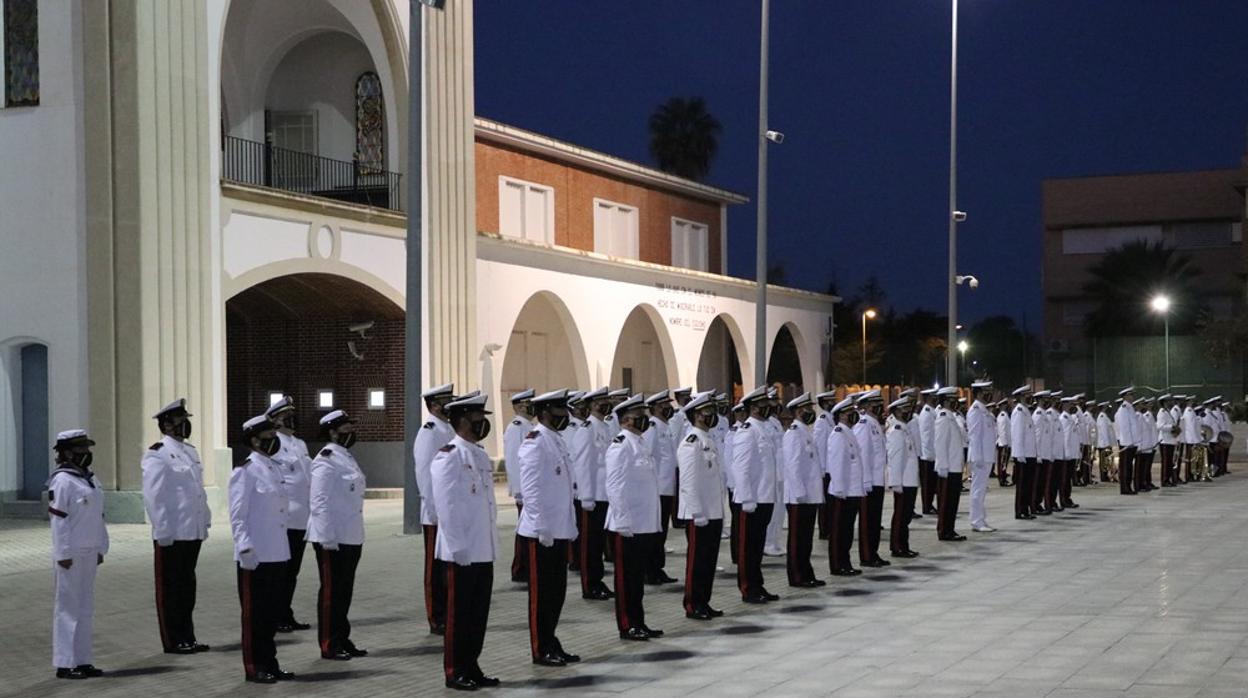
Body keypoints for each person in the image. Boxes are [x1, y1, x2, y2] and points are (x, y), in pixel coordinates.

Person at [431, 394, 501, 690]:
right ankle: (455, 670)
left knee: (477, 614)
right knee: (458, 614)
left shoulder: (479, 454)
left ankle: (472, 664)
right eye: (476, 418)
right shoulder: (448, 455)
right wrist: (458, 546)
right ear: (462, 421)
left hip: (482, 548)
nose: (482, 423)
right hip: (461, 551)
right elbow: (445, 507)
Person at [141, 398, 211, 655]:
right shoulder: (157, 454)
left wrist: (204, 519)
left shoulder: (190, 451)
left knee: (187, 588)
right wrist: (162, 531)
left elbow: (197, 491)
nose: (186, 425)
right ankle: (173, 640)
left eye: (186, 420)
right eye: (181, 421)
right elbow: (154, 496)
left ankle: (188, 636)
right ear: (167, 424)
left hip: (191, 530)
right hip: (172, 532)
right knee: (170, 589)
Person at [517, 389, 581, 666]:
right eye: (558, 412)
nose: (564, 416)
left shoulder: (555, 439)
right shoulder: (535, 442)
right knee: (541, 595)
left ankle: (551, 640)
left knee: (556, 592)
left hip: (559, 528)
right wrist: (541, 526)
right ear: (544, 414)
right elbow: (530, 488)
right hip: (541, 532)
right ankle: (540, 647)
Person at [229, 415, 293, 684]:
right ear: (254, 440)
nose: (274, 440)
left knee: (269, 615)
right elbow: (238, 515)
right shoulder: (245, 471)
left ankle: (271, 663)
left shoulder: (272, 467)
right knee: (255, 616)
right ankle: (255, 666)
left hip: (277, 551)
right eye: (268, 436)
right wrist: (244, 547)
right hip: (255, 555)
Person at [306, 410, 367, 662]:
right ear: (332, 432)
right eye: (345, 428)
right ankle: (330, 643)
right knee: (332, 592)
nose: (350, 432)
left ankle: (342, 637)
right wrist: (326, 536)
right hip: (332, 538)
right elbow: (318, 501)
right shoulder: (325, 459)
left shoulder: (345, 457)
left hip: (350, 535)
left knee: (344, 591)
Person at [49, 429, 109, 680]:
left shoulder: (89, 479)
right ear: (67, 452)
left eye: (87, 448)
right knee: (68, 608)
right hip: (71, 552)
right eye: (81, 449)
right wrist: (62, 552)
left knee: (85, 608)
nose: (86, 453)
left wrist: (101, 547)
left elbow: (98, 517)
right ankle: (65, 662)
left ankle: (83, 660)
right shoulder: (63, 481)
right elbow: (58, 521)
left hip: (89, 549)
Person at [604, 394, 664, 641]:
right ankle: (628, 624)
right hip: (627, 524)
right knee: (627, 579)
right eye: (640, 417)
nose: (645, 421)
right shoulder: (620, 445)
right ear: (627, 421)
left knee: (637, 579)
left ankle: (639, 621)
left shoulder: (639, 443)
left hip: (643, 523)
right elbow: (615, 486)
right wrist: (623, 521)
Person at [264, 396, 313, 633]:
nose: (292, 420)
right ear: (275, 421)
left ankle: (285, 612)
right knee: (281, 572)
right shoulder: (274, 445)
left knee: (292, 571)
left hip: (301, 517)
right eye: (286, 417)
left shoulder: (299, 444)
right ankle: (275, 614)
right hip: (285, 518)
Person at [677, 393, 727, 619]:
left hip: (713, 510)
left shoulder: (709, 439)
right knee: (697, 561)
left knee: (708, 560)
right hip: (699, 513)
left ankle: (704, 601)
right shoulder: (691, 443)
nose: (712, 416)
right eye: (708, 412)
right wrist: (697, 512)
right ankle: (692, 603)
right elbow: (687, 481)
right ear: (696, 415)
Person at [730, 386, 780, 603]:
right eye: (763, 406)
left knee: (757, 546)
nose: (768, 409)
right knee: (748, 548)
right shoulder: (747, 431)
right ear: (753, 408)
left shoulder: (764, 429)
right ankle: (748, 587)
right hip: (752, 499)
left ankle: (758, 584)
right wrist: (747, 498)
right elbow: (741, 468)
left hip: (765, 496)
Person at [413, 383, 456, 634]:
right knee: (434, 568)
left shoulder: (447, 428)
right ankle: (435, 616)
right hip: (435, 514)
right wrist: (434, 508)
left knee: (446, 566)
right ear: (434, 405)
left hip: (448, 511)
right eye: (445, 400)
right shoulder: (429, 431)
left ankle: (446, 611)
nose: (449, 404)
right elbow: (424, 474)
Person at [570, 388, 612, 600]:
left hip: (604, 493)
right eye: (601, 401)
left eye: (607, 400)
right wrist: (586, 496)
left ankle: (598, 580)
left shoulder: (604, 427)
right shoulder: (586, 429)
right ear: (592, 405)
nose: (606, 404)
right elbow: (583, 464)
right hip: (592, 495)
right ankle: (590, 584)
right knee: (590, 544)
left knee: (598, 542)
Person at [781, 393, 826, 587]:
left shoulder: (805, 431)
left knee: (806, 538)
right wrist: (799, 492)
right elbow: (792, 465)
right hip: (799, 496)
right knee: (797, 538)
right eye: (808, 409)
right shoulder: (793, 433)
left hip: (809, 494)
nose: (811, 412)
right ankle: (797, 575)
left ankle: (806, 572)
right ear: (799, 411)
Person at [826, 396, 865, 576]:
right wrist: (840, 489)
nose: (854, 415)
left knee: (847, 530)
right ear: (841, 415)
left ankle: (845, 561)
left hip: (852, 490)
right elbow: (836, 464)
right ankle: (837, 564)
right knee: (839, 531)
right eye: (850, 412)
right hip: (842, 492)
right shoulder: (838, 434)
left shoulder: (849, 433)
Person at [643, 391, 679, 585]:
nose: (668, 407)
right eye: (664, 404)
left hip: (667, 486)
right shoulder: (652, 427)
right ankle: (650, 570)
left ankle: (657, 567)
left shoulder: (666, 426)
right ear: (655, 407)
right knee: (655, 531)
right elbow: (648, 456)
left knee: (662, 530)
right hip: (657, 487)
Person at [852, 390, 889, 567]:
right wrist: (865, 481)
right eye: (876, 403)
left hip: (877, 479)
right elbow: (863, 454)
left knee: (875, 520)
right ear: (867, 405)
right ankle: (867, 555)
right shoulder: (864, 424)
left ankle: (873, 552)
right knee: (867, 521)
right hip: (868, 482)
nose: (880, 406)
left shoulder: (874, 423)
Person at [503, 389, 535, 582]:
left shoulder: (528, 425)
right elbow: (514, 461)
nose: (532, 406)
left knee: (528, 530)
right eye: (529, 403)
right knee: (524, 531)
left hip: (531, 489)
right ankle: (520, 568)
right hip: (525, 489)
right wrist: (519, 491)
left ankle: (525, 567)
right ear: (520, 406)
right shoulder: (516, 427)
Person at [885, 399, 920, 558]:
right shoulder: (897, 430)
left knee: (905, 516)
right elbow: (895, 459)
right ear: (897, 411)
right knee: (901, 515)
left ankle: (903, 545)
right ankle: (897, 546)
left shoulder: (904, 429)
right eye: (905, 408)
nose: (909, 411)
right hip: (903, 481)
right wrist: (895, 482)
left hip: (910, 480)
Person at [934, 387, 966, 541]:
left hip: (954, 466)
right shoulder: (943, 417)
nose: (956, 402)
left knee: (952, 502)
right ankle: (944, 530)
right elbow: (940, 444)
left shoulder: (951, 416)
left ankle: (950, 529)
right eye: (953, 399)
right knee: (946, 502)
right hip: (947, 468)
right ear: (946, 400)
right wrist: (942, 467)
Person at [966, 381, 997, 533]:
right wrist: (977, 458)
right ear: (979, 393)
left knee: (981, 490)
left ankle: (980, 519)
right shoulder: (976, 410)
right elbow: (974, 436)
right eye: (986, 391)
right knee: (977, 490)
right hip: (980, 457)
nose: (989, 394)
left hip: (986, 456)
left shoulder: (984, 411)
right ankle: (976, 521)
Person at [916, 388, 939, 515]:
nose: (935, 399)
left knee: (931, 483)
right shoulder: (926, 413)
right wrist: (930, 454)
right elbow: (927, 436)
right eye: (933, 397)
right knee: (928, 484)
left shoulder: (931, 412)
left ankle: (929, 504)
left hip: (931, 453)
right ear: (929, 398)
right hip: (927, 454)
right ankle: (927, 506)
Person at [1115, 388, 1139, 496]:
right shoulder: (1123, 409)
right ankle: (1125, 488)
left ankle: (1128, 486)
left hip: (1131, 443)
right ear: (1124, 397)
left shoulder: (1130, 408)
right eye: (1130, 395)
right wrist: (1128, 443)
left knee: (1129, 466)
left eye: (1132, 395)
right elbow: (1125, 428)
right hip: (1126, 443)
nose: (1132, 397)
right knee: (1125, 467)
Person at [1058, 397, 1081, 509]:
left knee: (1068, 478)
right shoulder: (1063, 418)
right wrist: (1066, 454)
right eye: (1072, 404)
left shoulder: (1070, 418)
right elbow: (1065, 438)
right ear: (1065, 405)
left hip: (1071, 453)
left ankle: (1067, 498)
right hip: (1067, 454)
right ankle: (1064, 499)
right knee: (1065, 479)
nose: (1074, 406)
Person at [996, 399, 1013, 487]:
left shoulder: (1004, 415)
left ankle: (1003, 477)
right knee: (1002, 463)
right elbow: (1002, 430)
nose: (1007, 406)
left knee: (1004, 463)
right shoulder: (1002, 415)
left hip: (1005, 443)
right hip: (1003, 443)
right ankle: (1002, 479)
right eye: (1005, 405)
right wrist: (1005, 443)